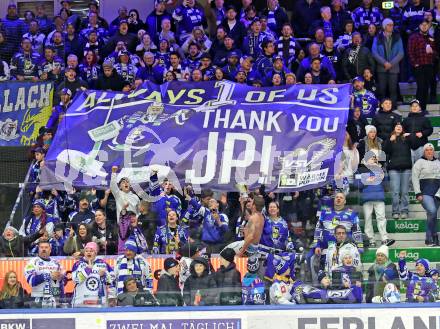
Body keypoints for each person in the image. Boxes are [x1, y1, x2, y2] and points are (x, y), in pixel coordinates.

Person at [71, 242, 116, 307]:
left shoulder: (103, 264)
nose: (88, 253)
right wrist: (87, 270)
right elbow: (76, 280)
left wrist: (105, 275)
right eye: (86, 251)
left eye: (91, 251)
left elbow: (112, 281)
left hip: (99, 304)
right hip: (80, 303)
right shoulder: (78, 264)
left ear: (95, 253)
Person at [412, 143, 440, 246]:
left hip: (437, 193)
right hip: (425, 192)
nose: (429, 151)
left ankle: (429, 240)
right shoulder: (419, 162)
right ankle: (433, 236)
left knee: (432, 216)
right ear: (424, 151)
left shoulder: (438, 162)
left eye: (431, 150)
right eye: (427, 150)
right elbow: (414, 178)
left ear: (433, 151)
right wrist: (417, 193)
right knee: (432, 211)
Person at [383, 122, 412, 219]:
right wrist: (390, 141)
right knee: (395, 191)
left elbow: (416, 144)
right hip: (393, 168)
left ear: (402, 128)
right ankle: (395, 211)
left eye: (400, 126)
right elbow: (384, 151)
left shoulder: (407, 138)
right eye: (397, 126)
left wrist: (411, 135)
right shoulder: (390, 138)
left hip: (406, 167)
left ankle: (404, 210)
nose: (399, 127)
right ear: (394, 128)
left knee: (404, 192)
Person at [371, 19, 404, 105]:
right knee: (382, 89)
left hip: (394, 68)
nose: (391, 26)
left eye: (392, 25)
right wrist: (385, 63)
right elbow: (374, 53)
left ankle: (393, 108)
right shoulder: (377, 38)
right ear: (384, 26)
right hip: (381, 68)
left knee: (393, 90)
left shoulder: (397, 37)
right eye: (389, 25)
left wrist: (391, 64)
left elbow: (401, 53)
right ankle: (382, 107)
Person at [408, 20, 438, 111]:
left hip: (429, 66)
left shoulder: (431, 38)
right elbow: (410, 52)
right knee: (420, 87)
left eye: (426, 25)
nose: (424, 26)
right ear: (419, 26)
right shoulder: (414, 37)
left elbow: (436, 53)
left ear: (428, 26)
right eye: (422, 24)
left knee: (426, 87)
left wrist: (432, 52)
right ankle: (417, 109)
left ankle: (423, 109)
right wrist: (415, 63)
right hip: (419, 66)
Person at [24, 241, 64, 308]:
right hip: (37, 299)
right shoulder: (32, 262)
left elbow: (61, 283)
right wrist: (49, 275)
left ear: (50, 249)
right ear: (38, 249)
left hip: (54, 299)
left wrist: (61, 299)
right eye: (41, 247)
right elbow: (31, 281)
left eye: (46, 247)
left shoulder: (56, 263)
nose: (44, 249)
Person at [402, 99, 433, 164]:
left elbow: (430, 130)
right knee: (410, 167)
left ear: (420, 108)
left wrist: (422, 133)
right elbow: (401, 130)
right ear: (410, 108)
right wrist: (404, 134)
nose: (414, 107)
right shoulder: (406, 120)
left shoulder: (425, 119)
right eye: (413, 106)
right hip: (408, 146)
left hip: (421, 146)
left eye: (416, 106)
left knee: (422, 166)